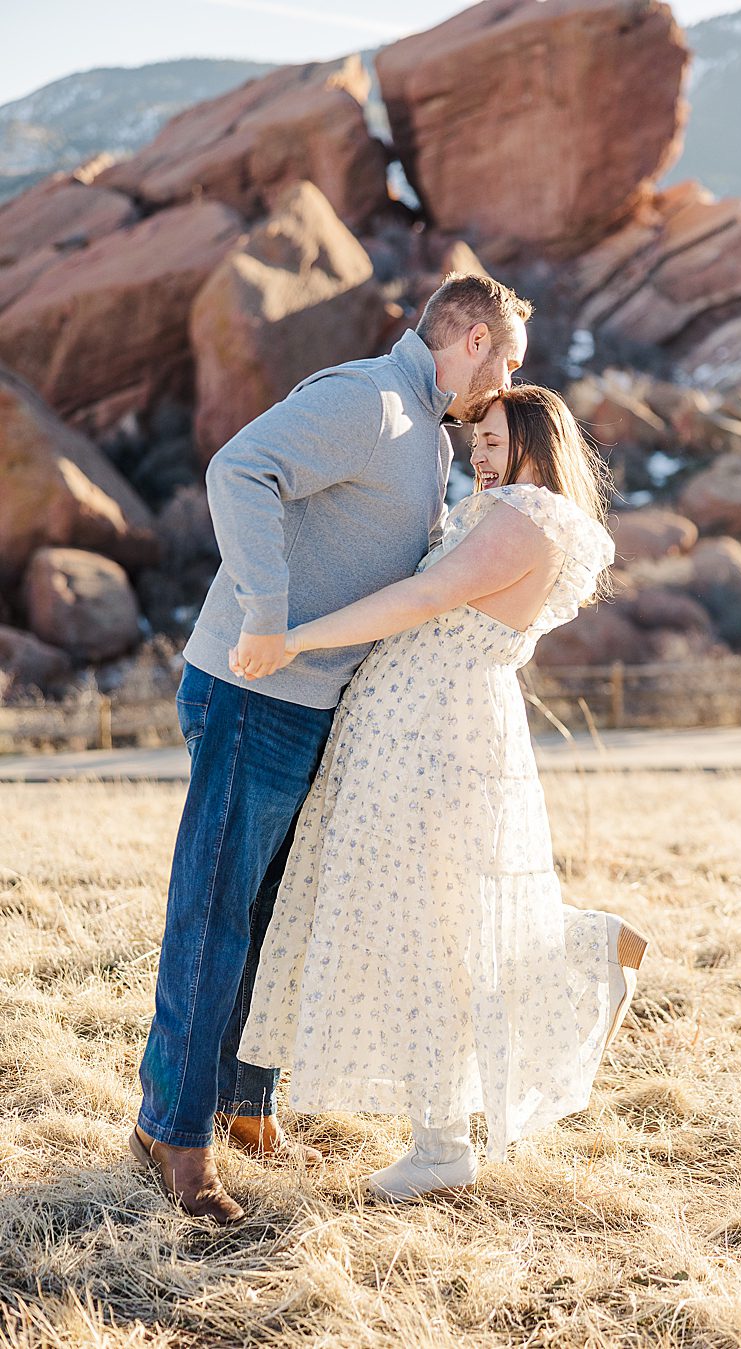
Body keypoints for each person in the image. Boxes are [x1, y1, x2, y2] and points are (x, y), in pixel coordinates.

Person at [129, 274, 533, 1224]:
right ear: (472, 340)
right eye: (509, 357)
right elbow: (238, 468)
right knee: (216, 914)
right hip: (254, 691)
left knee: (276, 917)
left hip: (315, 708)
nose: (512, 377)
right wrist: (266, 615)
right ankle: (172, 1136)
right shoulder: (370, 400)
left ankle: (239, 1102)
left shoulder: (426, 437)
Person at [234, 384, 647, 1204]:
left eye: (498, 440)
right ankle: (450, 1124)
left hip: (440, 739)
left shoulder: (526, 518)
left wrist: (295, 637)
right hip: (416, 734)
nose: (484, 457)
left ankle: (444, 1141)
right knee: (432, 921)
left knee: (435, 925)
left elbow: (425, 598)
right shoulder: (507, 513)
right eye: (479, 443)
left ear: (539, 444)